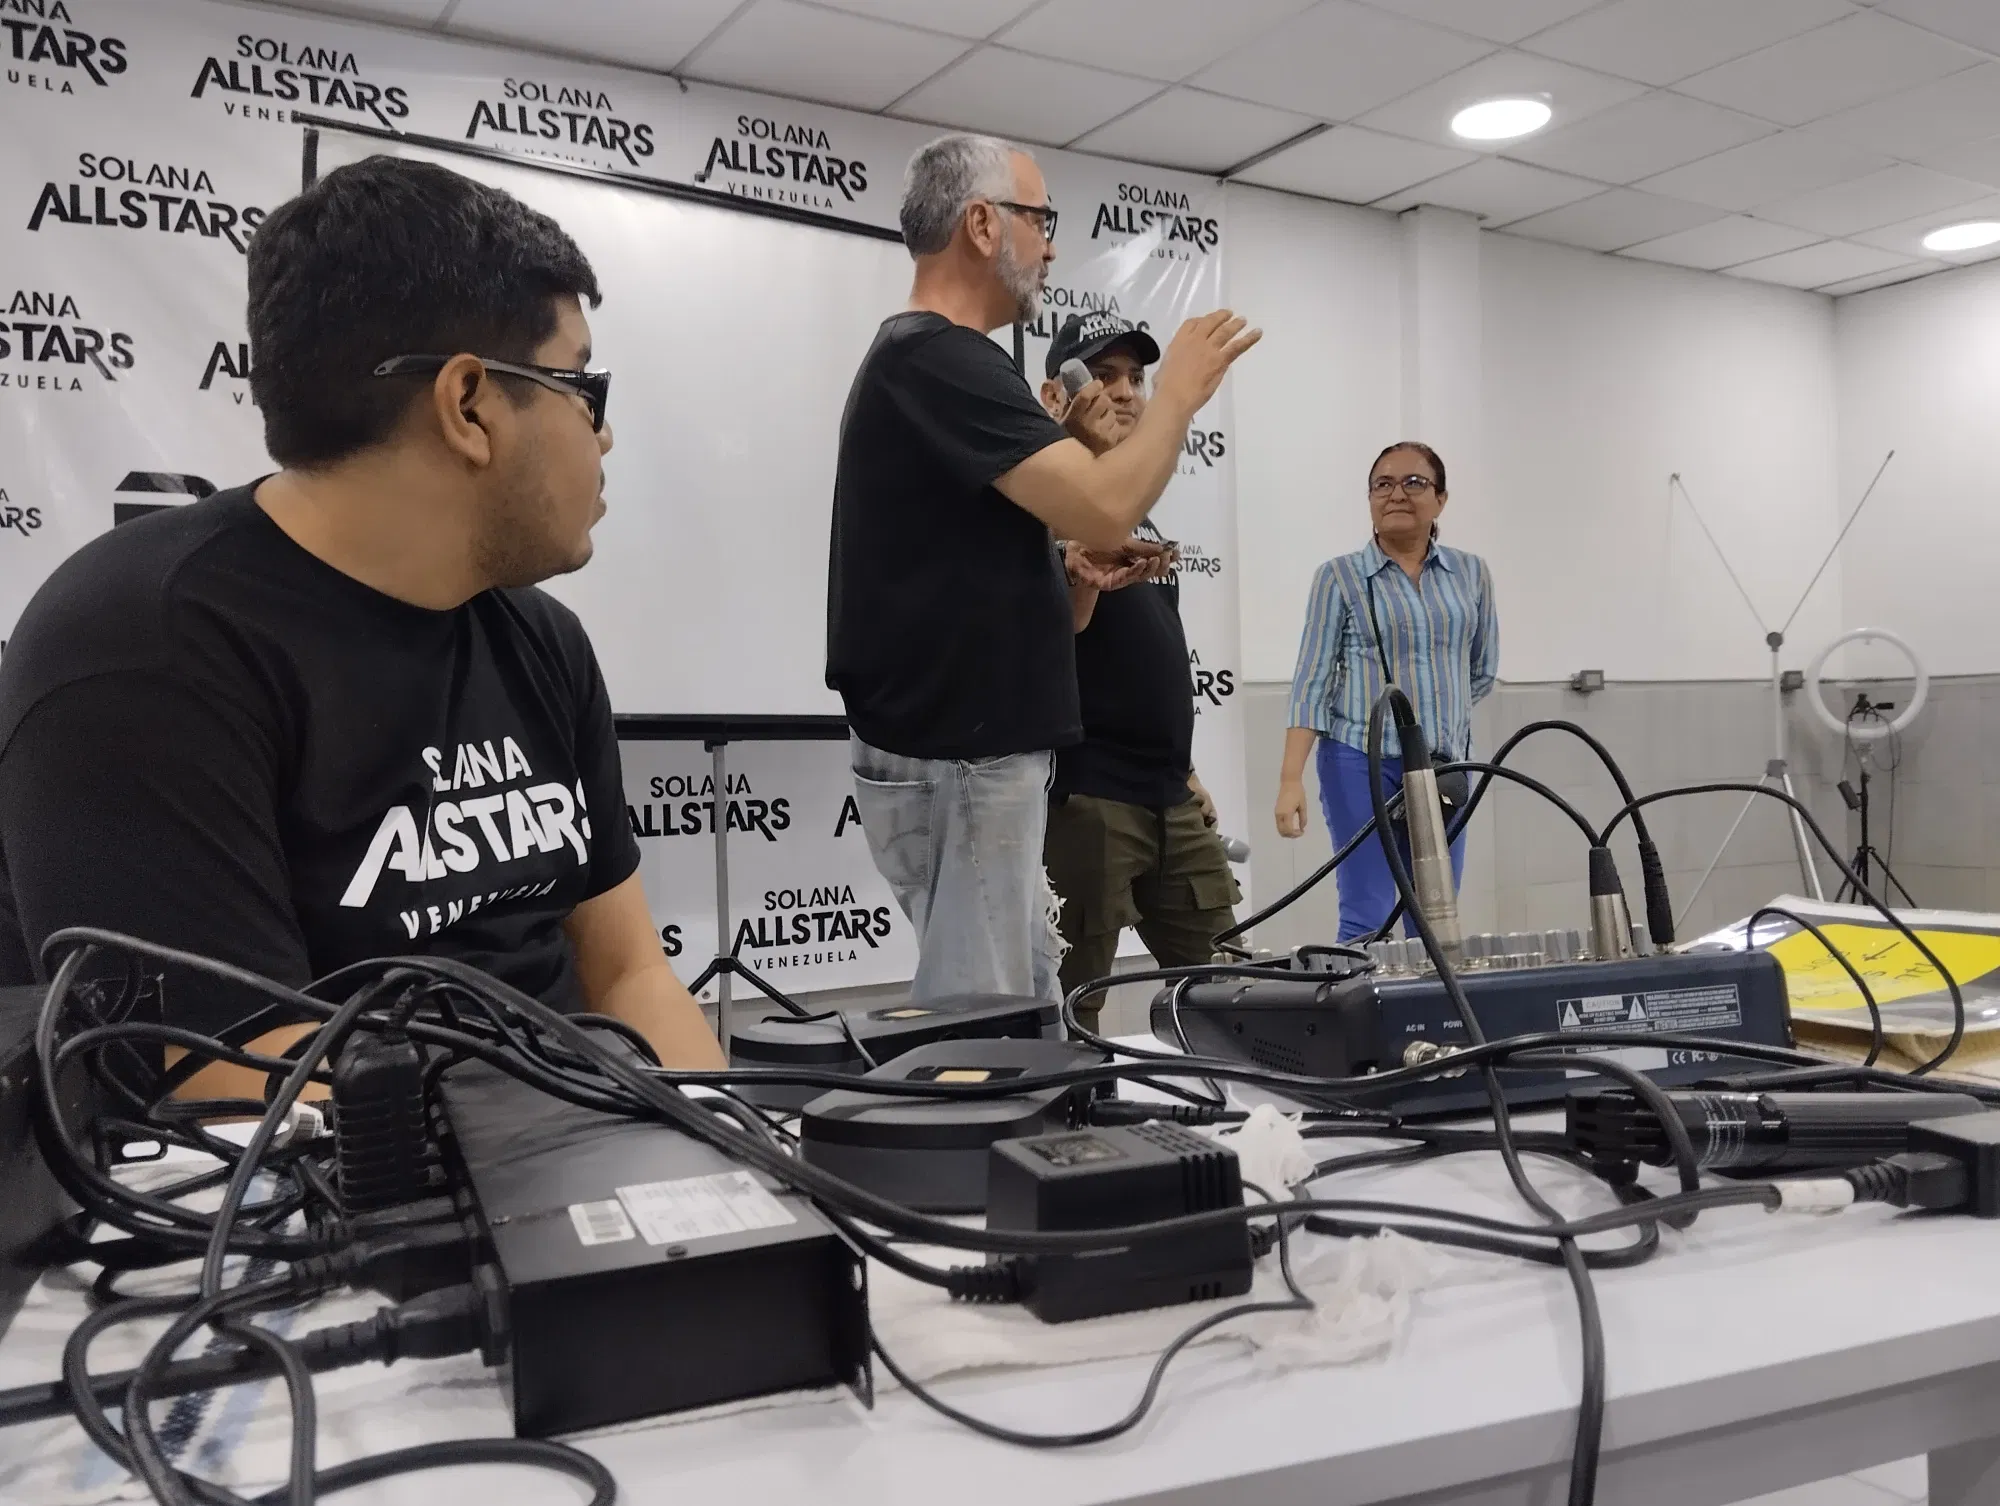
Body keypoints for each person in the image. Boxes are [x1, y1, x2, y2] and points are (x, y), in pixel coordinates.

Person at [0, 155, 726, 1097]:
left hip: (573, 1148)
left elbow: (629, 973)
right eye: (581, 386)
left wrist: (726, 1151)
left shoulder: (543, 641)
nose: (604, 434)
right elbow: (230, 1086)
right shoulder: (140, 650)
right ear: (468, 405)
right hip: (337, 1174)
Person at [826, 132, 1258, 1004]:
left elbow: (1019, 541)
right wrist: (1178, 393)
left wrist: (1065, 563)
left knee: (1024, 1018)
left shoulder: (936, 362)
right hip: (963, 762)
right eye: (1040, 219)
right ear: (983, 225)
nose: (1053, 247)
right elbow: (1104, 502)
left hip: (975, 761)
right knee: (985, 1031)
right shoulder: (939, 358)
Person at [1034, 312, 1240, 1030]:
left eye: (1136, 377)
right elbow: (1054, 631)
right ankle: (1071, 1104)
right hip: (1087, 793)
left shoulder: (1137, 510)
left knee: (1233, 991)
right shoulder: (1040, 494)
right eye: (1103, 374)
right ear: (1056, 394)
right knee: (1071, 1004)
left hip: (1168, 792)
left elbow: (1154, 654)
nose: (1124, 392)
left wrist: (1188, 770)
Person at [1274, 442, 1498, 941]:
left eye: (1414, 482)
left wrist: (1440, 720)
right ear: (1370, 498)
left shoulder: (1471, 574)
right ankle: (1363, 995)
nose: (1397, 494)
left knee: (1435, 914)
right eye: (1383, 484)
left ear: (1441, 499)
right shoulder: (1338, 577)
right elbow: (1312, 680)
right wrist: (1291, 779)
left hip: (1445, 765)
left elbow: (1482, 669)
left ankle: (1433, 996)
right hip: (1359, 759)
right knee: (1367, 914)